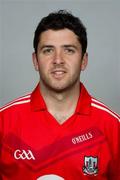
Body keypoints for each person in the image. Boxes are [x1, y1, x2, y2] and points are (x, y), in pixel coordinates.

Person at [0, 10, 120, 180]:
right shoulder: (4, 122)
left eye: (69, 50)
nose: (58, 60)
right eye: (48, 50)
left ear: (84, 61)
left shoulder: (113, 127)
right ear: (35, 60)